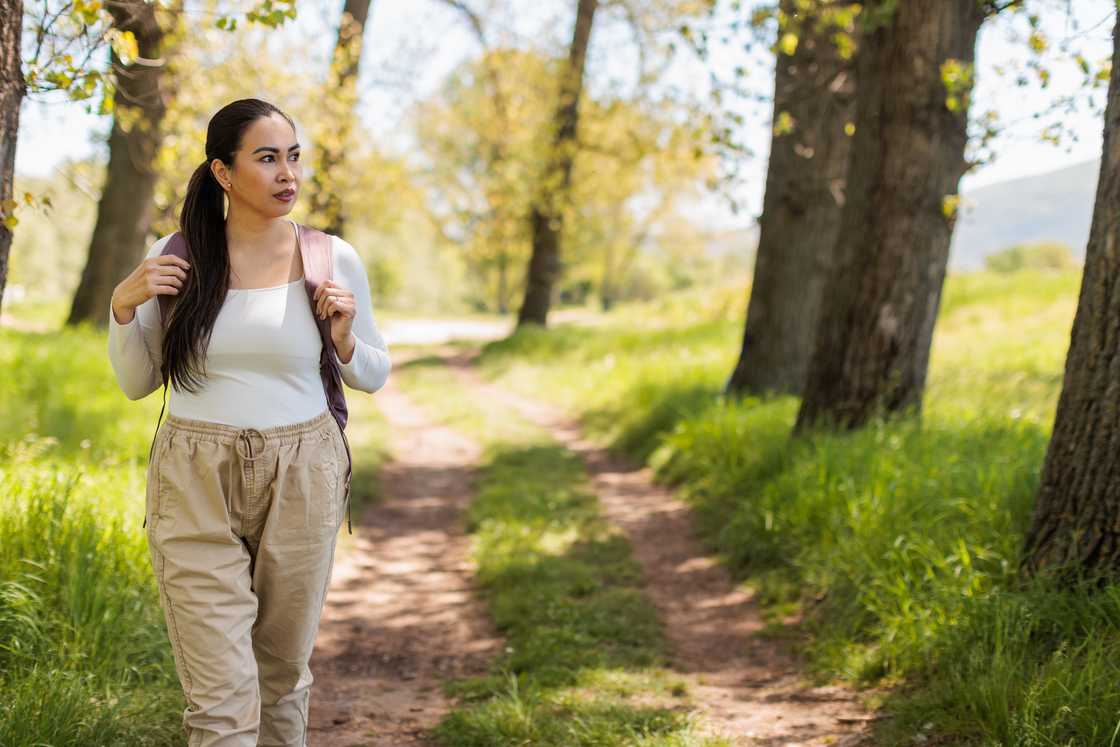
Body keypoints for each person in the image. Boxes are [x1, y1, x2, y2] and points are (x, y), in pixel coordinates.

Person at [106, 97, 391, 746]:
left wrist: (344, 340)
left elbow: (373, 373)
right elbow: (135, 382)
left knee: (282, 676)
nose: (287, 172)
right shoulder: (177, 255)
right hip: (193, 478)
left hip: (303, 472)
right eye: (266, 158)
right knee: (221, 702)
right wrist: (122, 305)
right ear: (224, 173)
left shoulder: (331, 257)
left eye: (293, 156)